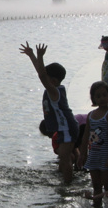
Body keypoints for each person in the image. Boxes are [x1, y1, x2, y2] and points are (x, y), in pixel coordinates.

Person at [20, 42, 79, 184]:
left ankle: (67, 186)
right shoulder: (53, 88)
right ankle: (65, 178)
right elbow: (41, 73)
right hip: (63, 128)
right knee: (63, 159)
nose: (43, 79)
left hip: (67, 128)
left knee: (65, 159)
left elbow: (41, 75)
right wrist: (32, 55)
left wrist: (39, 56)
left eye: (47, 77)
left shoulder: (54, 91)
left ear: (53, 80)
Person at [78, 81, 108, 208]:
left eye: (104, 95)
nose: (102, 98)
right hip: (94, 155)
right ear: (93, 98)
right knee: (96, 186)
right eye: (98, 96)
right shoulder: (91, 115)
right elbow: (85, 137)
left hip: (106, 155)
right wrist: (82, 154)